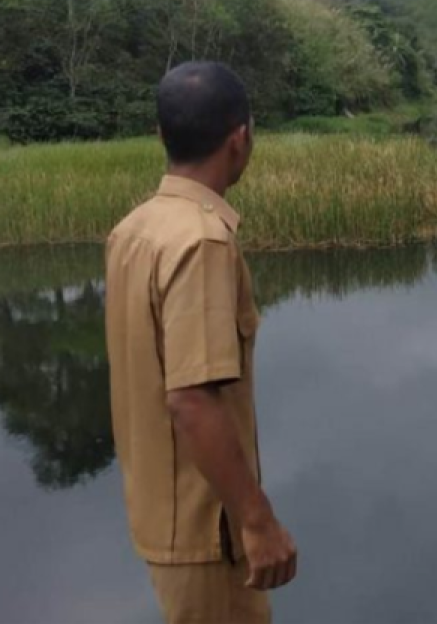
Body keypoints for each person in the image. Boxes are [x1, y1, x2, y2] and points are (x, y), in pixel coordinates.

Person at [105, 62, 297, 623]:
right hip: (207, 532)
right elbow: (191, 399)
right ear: (241, 140)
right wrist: (257, 520)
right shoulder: (203, 241)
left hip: (160, 518)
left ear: (160, 134)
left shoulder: (134, 229)